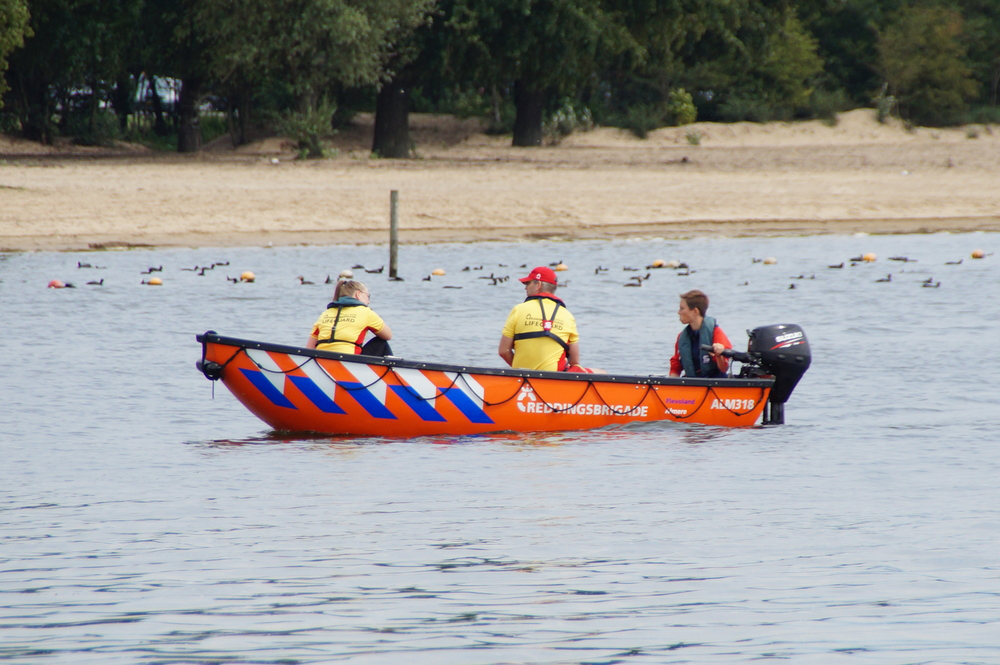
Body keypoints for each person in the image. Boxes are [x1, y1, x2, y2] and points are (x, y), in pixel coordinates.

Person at [498, 266, 586, 372]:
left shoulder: (518, 310)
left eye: (528, 283)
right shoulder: (567, 315)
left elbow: (503, 351)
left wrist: (522, 371)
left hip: (522, 379)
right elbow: (575, 362)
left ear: (538, 285)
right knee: (601, 372)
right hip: (555, 379)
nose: (525, 288)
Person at [306, 280, 393, 356]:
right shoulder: (365, 312)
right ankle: (391, 373)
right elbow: (388, 335)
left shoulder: (326, 313)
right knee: (381, 342)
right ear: (358, 294)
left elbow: (309, 349)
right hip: (350, 361)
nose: (369, 302)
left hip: (322, 362)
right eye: (367, 296)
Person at [669, 289, 732, 378]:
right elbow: (676, 366)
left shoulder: (716, 332)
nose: (678, 312)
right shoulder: (682, 337)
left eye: (682, 308)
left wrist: (719, 355)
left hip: (714, 383)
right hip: (692, 383)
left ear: (695, 311)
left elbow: (724, 368)